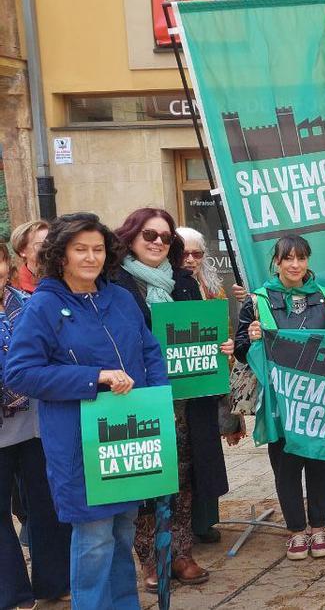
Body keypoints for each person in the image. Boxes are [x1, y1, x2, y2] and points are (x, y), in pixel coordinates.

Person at [5, 212, 167, 609]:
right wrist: (93, 377)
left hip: (128, 435)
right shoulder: (42, 306)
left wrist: (156, 399)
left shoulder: (121, 298)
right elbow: (21, 372)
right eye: (81, 249)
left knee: (124, 530)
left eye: (97, 249)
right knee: (94, 536)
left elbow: (150, 350)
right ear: (61, 255)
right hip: (78, 441)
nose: (90, 257)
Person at [109, 207, 227, 589]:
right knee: (148, 476)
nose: (158, 242)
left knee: (185, 475)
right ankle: (150, 558)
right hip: (139, 396)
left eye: (165, 236)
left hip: (187, 399)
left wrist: (218, 346)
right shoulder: (114, 283)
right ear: (130, 238)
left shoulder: (183, 281)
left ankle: (181, 551)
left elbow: (202, 330)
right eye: (149, 235)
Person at [233, 235, 325, 560]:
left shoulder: (323, 296)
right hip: (280, 399)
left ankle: (319, 527)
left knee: (321, 461)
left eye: (301, 258)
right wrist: (250, 337)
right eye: (287, 259)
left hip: (318, 397)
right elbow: (240, 352)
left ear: (308, 261)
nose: (295, 265)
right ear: (276, 262)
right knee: (286, 465)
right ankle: (296, 530)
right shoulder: (257, 301)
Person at [0, 246, 71, 610]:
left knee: (47, 506)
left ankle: (54, 583)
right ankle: (13, 594)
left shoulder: (28, 305)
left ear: (7, 264)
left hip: (35, 423)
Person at [176, 227, 244, 544]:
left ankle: (205, 521)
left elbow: (223, 329)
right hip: (181, 385)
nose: (190, 259)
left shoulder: (213, 286)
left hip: (211, 379)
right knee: (186, 457)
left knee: (207, 454)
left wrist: (228, 346)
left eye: (197, 253)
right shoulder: (168, 285)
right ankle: (186, 525)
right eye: (184, 253)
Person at [10, 220, 48, 294]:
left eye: (52, 242)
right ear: (22, 251)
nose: (50, 248)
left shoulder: (66, 275)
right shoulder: (15, 287)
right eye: (42, 245)